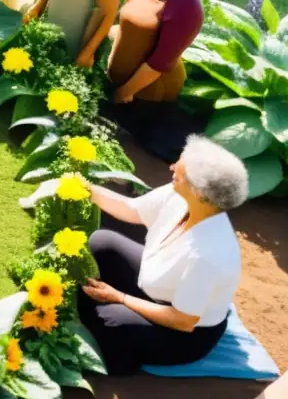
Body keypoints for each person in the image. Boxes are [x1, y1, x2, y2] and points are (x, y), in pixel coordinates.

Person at [78, 135, 248, 375]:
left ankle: (125, 360)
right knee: (102, 243)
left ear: (200, 193)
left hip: (182, 333)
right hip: (158, 288)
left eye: (180, 171)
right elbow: (132, 209)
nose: (171, 168)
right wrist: (85, 188)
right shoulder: (180, 196)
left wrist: (120, 298)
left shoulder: (209, 256)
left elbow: (183, 321)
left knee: (109, 320)